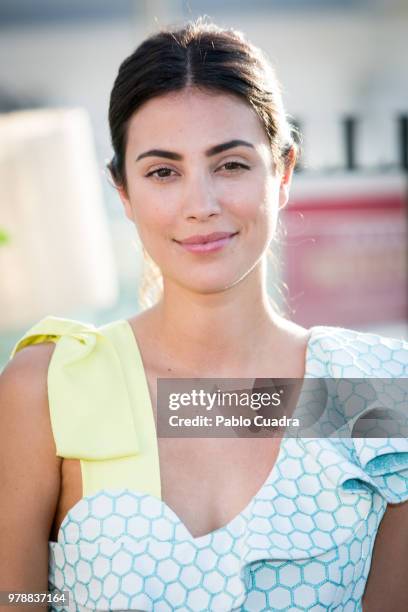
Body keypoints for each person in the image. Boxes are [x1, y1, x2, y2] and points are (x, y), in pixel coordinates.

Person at [1, 18, 408, 612]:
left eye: (232, 164)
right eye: (163, 172)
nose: (201, 205)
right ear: (123, 193)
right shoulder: (45, 390)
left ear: (284, 172)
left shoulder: (371, 389)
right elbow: (16, 596)